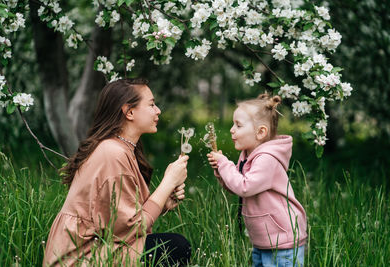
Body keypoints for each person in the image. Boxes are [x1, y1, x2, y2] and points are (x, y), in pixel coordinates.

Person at [43, 79, 191, 266]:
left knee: (171, 246)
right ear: (129, 112)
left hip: (96, 246)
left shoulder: (119, 148)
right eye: (152, 104)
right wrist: (168, 182)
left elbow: (120, 222)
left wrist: (162, 204)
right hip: (80, 257)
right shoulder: (112, 153)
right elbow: (132, 228)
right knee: (175, 247)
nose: (158, 110)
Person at [207, 93, 307, 267]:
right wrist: (220, 171)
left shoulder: (267, 158)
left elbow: (245, 187)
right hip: (264, 239)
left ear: (261, 132)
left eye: (238, 125)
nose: (231, 129)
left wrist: (225, 165)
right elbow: (237, 186)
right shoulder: (247, 154)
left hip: (282, 242)